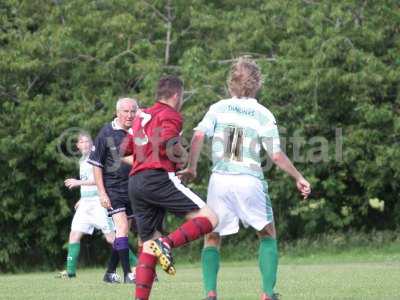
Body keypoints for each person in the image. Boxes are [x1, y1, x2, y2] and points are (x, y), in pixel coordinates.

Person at [179, 57, 311, 300]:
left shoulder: (218, 108)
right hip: (249, 179)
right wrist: (298, 176)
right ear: (257, 84)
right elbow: (276, 154)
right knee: (268, 233)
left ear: (231, 84)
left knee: (212, 236)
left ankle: (210, 292)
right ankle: (267, 293)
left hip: (219, 180)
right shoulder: (263, 113)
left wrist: (192, 167)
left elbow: (198, 136)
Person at [125, 75, 218, 300]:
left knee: (147, 244)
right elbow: (167, 142)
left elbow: (126, 149)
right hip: (157, 177)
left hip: (135, 182)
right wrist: (183, 156)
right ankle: (166, 243)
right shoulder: (171, 115)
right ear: (177, 95)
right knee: (210, 219)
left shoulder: (142, 115)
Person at [88, 98, 139, 284]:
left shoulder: (139, 131)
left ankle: (110, 273)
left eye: (133, 111)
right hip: (113, 188)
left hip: (133, 187)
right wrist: (102, 192)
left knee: (123, 232)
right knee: (122, 228)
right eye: (126, 111)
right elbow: (96, 164)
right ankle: (128, 274)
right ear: (117, 112)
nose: (129, 115)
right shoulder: (106, 132)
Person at [56, 133, 115, 279]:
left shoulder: (95, 156)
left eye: (88, 141)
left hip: (98, 202)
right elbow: (87, 181)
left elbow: (99, 180)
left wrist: (78, 182)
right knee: (74, 235)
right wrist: (82, 198)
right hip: (86, 203)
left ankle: (136, 265)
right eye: (82, 142)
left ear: (91, 143)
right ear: (78, 146)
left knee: (111, 238)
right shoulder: (83, 159)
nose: (85, 144)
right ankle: (70, 272)